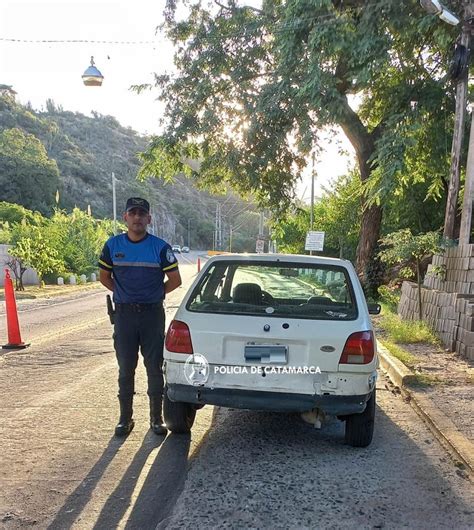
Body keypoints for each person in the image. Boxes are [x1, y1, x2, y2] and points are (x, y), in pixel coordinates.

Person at [98, 197, 182, 437]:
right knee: (126, 369)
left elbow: (175, 281)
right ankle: (125, 420)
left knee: (154, 368)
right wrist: (125, 295)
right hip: (124, 316)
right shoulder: (113, 246)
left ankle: (156, 421)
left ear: (149, 219)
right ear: (125, 217)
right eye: (132, 213)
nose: (137, 218)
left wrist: (153, 295)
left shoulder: (160, 247)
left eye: (141, 214)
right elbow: (104, 278)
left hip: (152, 315)